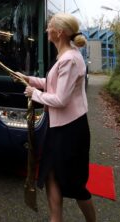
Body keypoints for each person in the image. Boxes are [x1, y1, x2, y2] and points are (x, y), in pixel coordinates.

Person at [14, 13, 96, 222]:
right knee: (51, 174)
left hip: (71, 131)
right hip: (58, 128)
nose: (46, 30)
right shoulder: (65, 56)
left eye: (49, 27)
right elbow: (51, 83)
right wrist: (28, 79)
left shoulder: (69, 59)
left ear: (59, 32)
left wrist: (35, 94)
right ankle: (55, 219)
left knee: (75, 184)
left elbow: (60, 99)